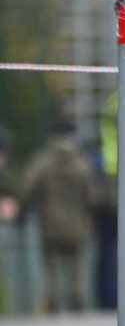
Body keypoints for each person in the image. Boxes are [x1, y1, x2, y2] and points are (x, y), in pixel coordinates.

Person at [18, 118, 99, 312]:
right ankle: (77, 303)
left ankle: (52, 303)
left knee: (51, 268)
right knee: (77, 269)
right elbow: (93, 196)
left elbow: (27, 188)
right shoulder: (82, 163)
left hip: (50, 224)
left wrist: (21, 212)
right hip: (78, 225)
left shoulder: (43, 162)